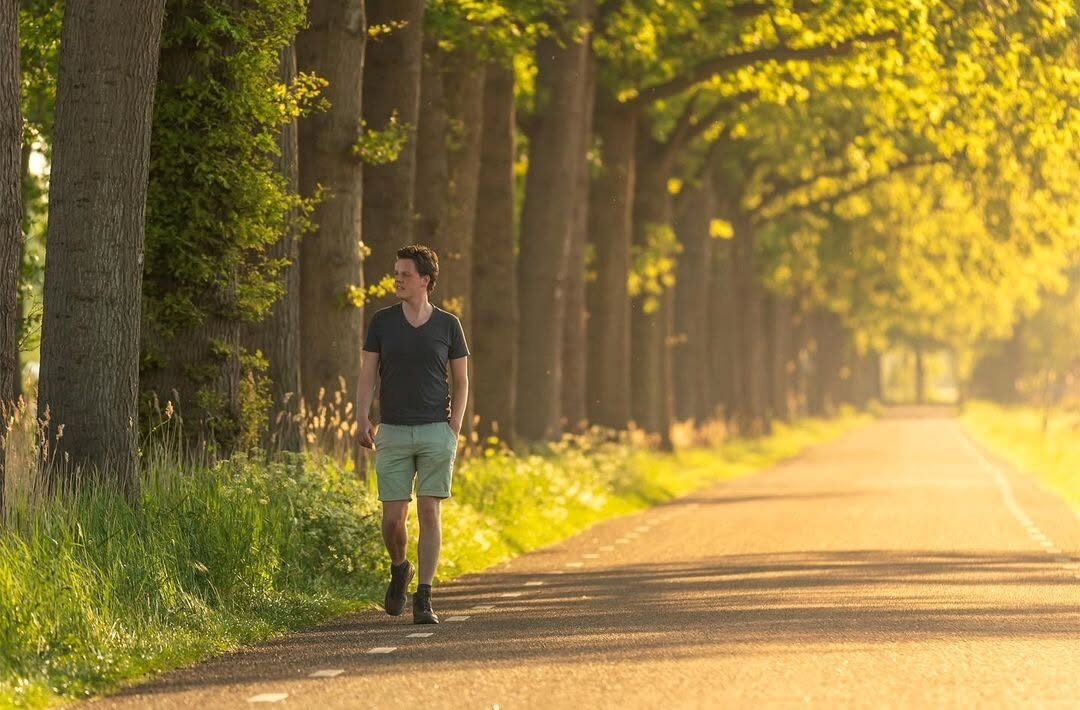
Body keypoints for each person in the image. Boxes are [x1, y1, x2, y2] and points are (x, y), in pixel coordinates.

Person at [357, 245, 469, 624]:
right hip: (392, 429)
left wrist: (453, 428)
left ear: (426, 280)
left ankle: (424, 596)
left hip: (437, 431)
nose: (398, 279)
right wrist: (361, 417)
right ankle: (400, 567)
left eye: (405, 273)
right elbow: (368, 374)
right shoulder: (382, 322)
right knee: (392, 521)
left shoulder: (449, 325)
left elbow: (462, 380)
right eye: (396, 272)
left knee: (429, 510)